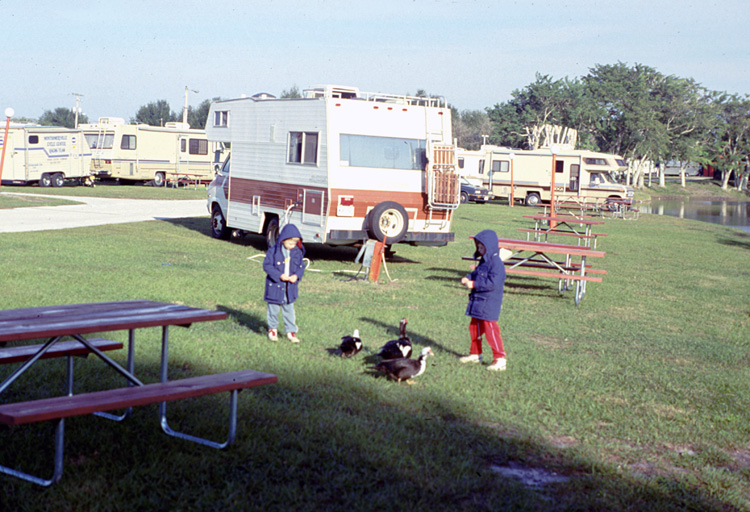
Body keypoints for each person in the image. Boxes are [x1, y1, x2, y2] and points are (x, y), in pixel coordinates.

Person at [459, 229, 507, 371]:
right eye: (478, 247)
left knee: (491, 330)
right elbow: (476, 273)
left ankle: (499, 359)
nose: (479, 250)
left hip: (489, 303)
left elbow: (493, 283)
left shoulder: (497, 264)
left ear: (490, 246)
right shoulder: (483, 261)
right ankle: (475, 354)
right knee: (474, 327)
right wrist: (468, 277)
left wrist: (474, 284)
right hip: (479, 301)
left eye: (482, 247)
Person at [263, 223, 305, 343]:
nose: (292, 246)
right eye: (290, 243)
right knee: (273, 309)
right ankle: (272, 330)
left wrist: (296, 276)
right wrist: (279, 276)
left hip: (289, 288)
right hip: (275, 287)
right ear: (283, 240)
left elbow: (301, 267)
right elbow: (267, 266)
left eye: (294, 244)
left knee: (289, 310)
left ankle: (291, 332)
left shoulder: (297, 252)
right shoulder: (273, 251)